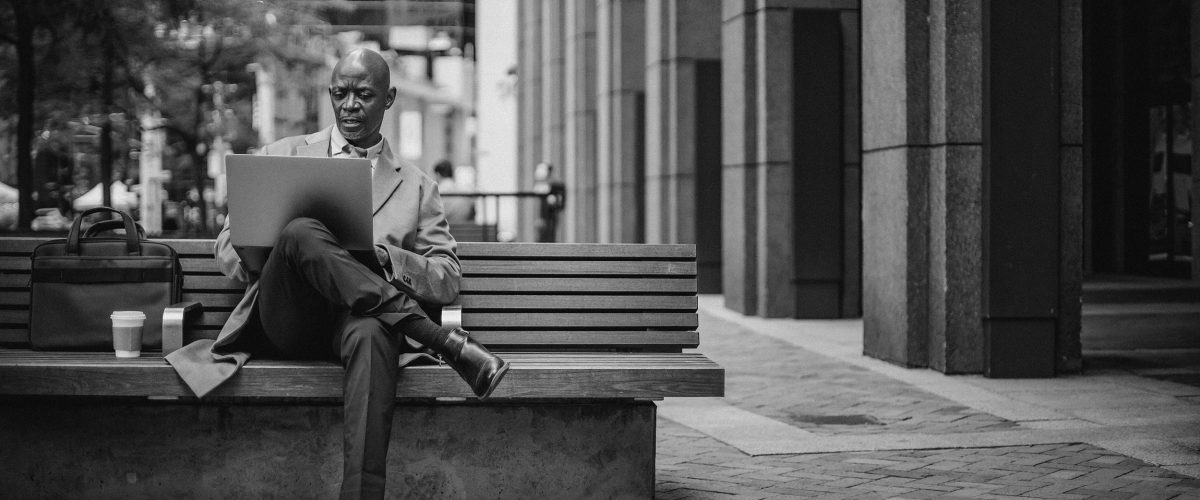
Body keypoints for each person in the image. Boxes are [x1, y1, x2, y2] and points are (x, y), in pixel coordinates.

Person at [165, 48, 509, 499]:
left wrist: (386, 259)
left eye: (364, 95)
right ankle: (443, 342)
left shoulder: (417, 185)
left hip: (360, 324)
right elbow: (226, 248)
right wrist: (282, 249)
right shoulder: (281, 156)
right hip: (287, 318)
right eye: (341, 93)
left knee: (372, 333)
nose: (350, 105)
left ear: (388, 99)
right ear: (330, 94)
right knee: (302, 232)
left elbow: (446, 277)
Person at [432, 159, 476, 224]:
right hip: (464, 229)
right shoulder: (461, 190)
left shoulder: (436, 191)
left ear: (438, 175)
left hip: (444, 230)